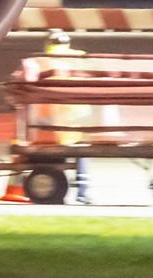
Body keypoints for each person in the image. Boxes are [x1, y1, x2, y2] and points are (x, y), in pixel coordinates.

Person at [40, 29, 92, 204]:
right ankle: (82, 191)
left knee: (54, 148)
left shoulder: (44, 60)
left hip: (58, 112)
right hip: (81, 111)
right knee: (81, 148)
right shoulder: (80, 58)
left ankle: (56, 186)